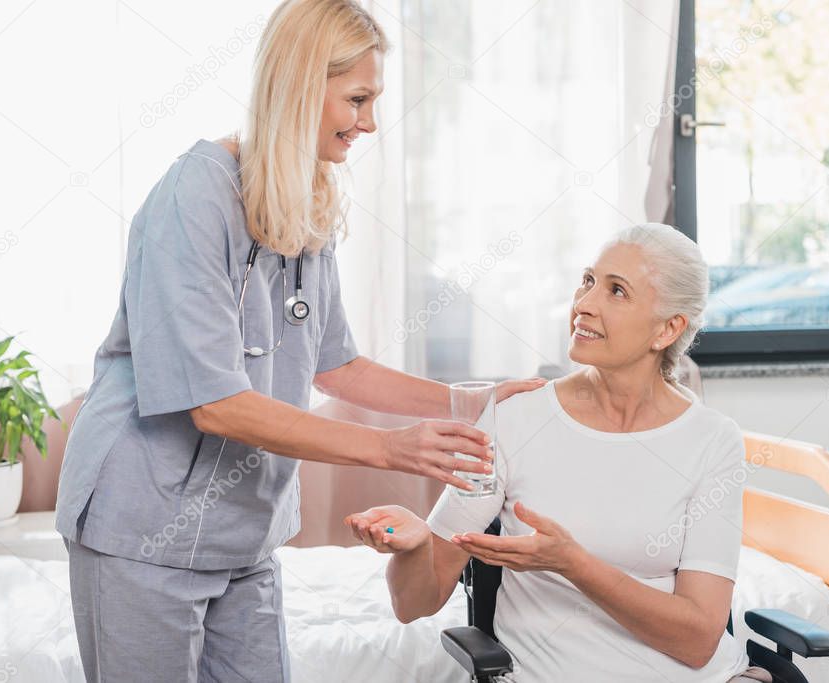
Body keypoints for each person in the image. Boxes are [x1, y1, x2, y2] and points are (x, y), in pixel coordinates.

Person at [55, 2, 541, 681]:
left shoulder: (302, 197)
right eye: (358, 98)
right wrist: (387, 446)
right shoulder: (194, 196)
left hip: (242, 535)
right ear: (300, 82)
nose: (369, 121)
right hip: (144, 527)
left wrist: (474, 402)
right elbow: (213, 403)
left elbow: (337, 364)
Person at [346, 224, 774, 683]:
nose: (584, 304)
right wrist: (412, 551)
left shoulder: (712, 440)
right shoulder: (516, 419)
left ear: (667, 329)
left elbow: (698, 640)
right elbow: (414, 604)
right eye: (588, 281)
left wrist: (574, 563)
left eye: (616, 291)